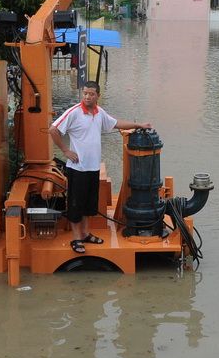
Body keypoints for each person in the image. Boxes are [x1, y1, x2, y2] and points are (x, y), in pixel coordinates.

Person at [48, 81, 151, 254]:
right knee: (75, 204)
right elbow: (53, 130)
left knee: (89, 204)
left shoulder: (99, 113)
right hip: (77, 168)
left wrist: (138, 125)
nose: (87, 97)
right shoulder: (73, 112)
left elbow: (116, 123)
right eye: (85, 93)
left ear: (98, 96)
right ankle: (76, 238)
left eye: (91, 94)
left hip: (92, 167)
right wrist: (66, 150)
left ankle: (86, 233)